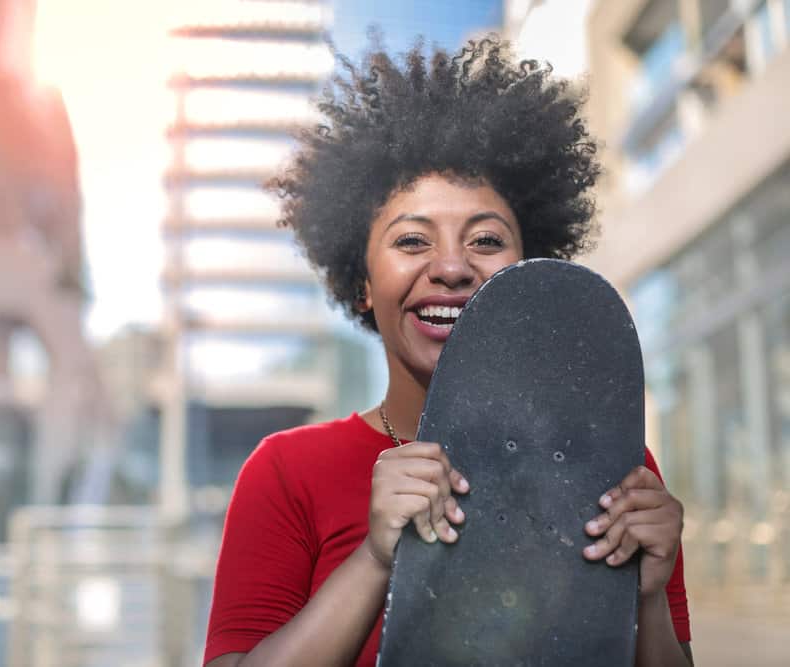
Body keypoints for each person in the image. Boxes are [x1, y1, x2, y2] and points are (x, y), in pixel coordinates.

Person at [203, 36, 692, 667]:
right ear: (361, 282)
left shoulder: (613, 466)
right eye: (412, 241)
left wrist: (646, 601)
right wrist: (376, 558)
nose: (454, 267)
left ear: (530, 268)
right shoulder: (287, 472)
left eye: (486, 239)